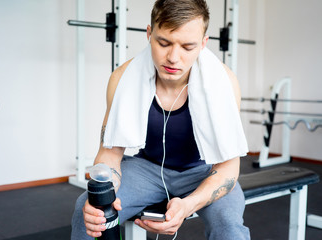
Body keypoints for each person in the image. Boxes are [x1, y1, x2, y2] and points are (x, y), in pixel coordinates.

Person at [71, 0, 250, 239]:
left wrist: (189, 204)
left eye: (188, 47)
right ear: (149, 34)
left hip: (205, 171)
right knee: (88, 213)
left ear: (203, 44)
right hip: (147, 169)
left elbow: (229, 167)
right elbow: (109, 153)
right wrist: (103, 196)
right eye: (164, 43)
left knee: (229, 227)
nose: (173, 57)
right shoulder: (122, 79)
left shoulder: (225, 83)